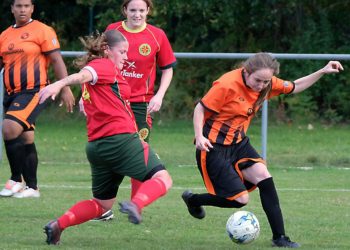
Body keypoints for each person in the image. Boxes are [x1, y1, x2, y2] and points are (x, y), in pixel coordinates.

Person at [181, 53, 343, 248]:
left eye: (266, 81)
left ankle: (280, 238)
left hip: (239, 144)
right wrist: (199, 136)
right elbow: (200, 109)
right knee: (240, 199)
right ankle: (193, 200)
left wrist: (323, 71)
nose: (261, 85)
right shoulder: (227, 84)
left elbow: (295, 86)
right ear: (246, 72)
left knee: (265, 179)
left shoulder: (267, 83)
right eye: (257, 80)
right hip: (212, 147)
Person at [39, 30, 172, 245]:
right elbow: (83, 75)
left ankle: (58, 225)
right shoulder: (103, 66)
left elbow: (91, 83)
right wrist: (59, 84)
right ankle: (136, 205)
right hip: (120, 141)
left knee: (102, 205)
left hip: (97, 147)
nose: (126, 57)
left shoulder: (104, 72)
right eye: (122, 52)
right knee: (163, 179)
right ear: (106, 50)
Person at [90, 0, 176, 221]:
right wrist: (86, 94)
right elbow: (96, 64)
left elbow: (167, 69)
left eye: (141, 10)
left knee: (140, 150)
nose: (137, 14)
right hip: (112, 101)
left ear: (148, 11)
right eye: (133, 10)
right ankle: (103, 205)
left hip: (140, 104)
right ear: (125, 11)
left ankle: (137, 206)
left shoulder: (157, 35)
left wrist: (159, 95)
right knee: (111, 148)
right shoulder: (112, 30)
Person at [0, 0, 75, 198]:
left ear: (32, 8)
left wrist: (65, 87)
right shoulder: (4, 35)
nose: (22, 9)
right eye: (18, 5)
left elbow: (57, 60)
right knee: (25, 137)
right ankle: (32, 188)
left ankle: (16, 180)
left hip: (35, 91)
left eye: (26, 5)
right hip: (11, 94)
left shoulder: (42, 30)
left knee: (9, 128)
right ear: (12, 9)